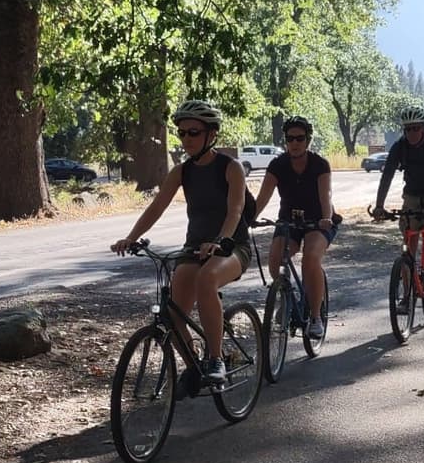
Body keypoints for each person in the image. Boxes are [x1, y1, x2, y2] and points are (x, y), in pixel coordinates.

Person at [111, 99, 250, 385]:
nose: (186, 139)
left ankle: (215, 359)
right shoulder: (182, 171)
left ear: (212, 134)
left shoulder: (231, 167)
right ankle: (195, 367)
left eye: (193, 132)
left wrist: (220, 240)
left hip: (231, 247)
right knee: (172, 314)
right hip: (194, 249)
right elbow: (156, 207)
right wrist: (131, 238)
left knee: (207, 278)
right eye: (182, 133)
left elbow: (235, 210)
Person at [251, 116, 338, 338]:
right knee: (275, 259)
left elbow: (325, 195)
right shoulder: (278, 165)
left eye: (299, 138)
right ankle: (287, 295)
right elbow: (262, 197)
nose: (295, 143)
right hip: (289, 220)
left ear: (308, 140)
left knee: (310, 258)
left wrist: (326, 218)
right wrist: (248, 219)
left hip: (318, 221)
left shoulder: (319, 164)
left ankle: (316, 317)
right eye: (290, 139)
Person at [372, 104, 424, 273]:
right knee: (409, 236)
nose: (412, 133)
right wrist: (379, 205)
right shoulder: (399, 147)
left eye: (416, 128)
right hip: (413, 192)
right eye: (408, 129)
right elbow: (386, 176)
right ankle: (406, 294)